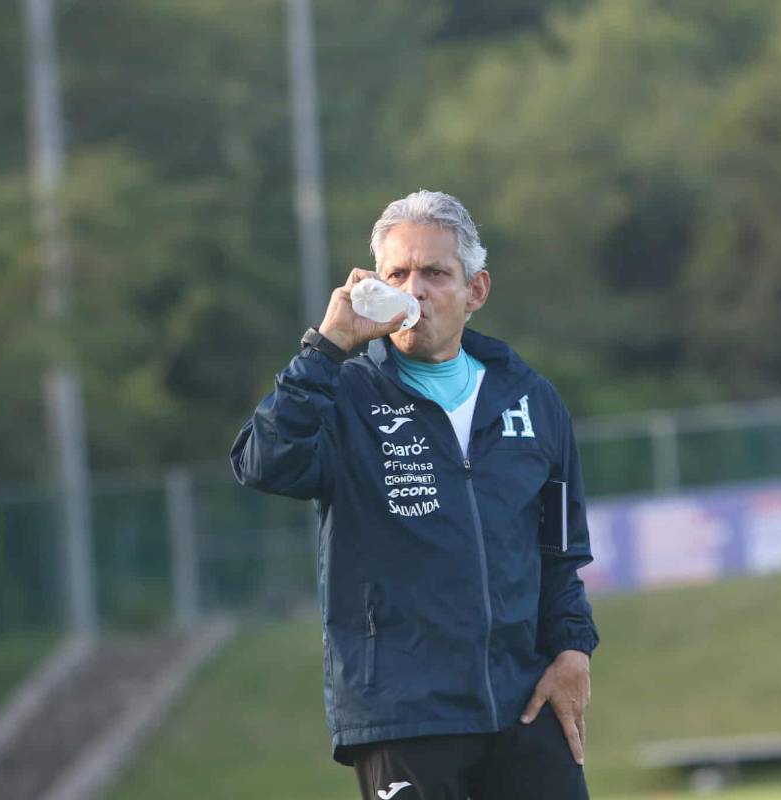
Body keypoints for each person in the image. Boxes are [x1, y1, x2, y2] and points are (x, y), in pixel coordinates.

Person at [231, 190, 599, 799]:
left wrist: (572, 650)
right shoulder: (341, 393)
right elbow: (262, 464)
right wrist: (326, 347)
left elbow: (560, 553)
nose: (414, 290)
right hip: (404, 715)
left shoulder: (532, 400)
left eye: (434, 273)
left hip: (525, 706)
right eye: (397, 275)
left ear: (476, 290)